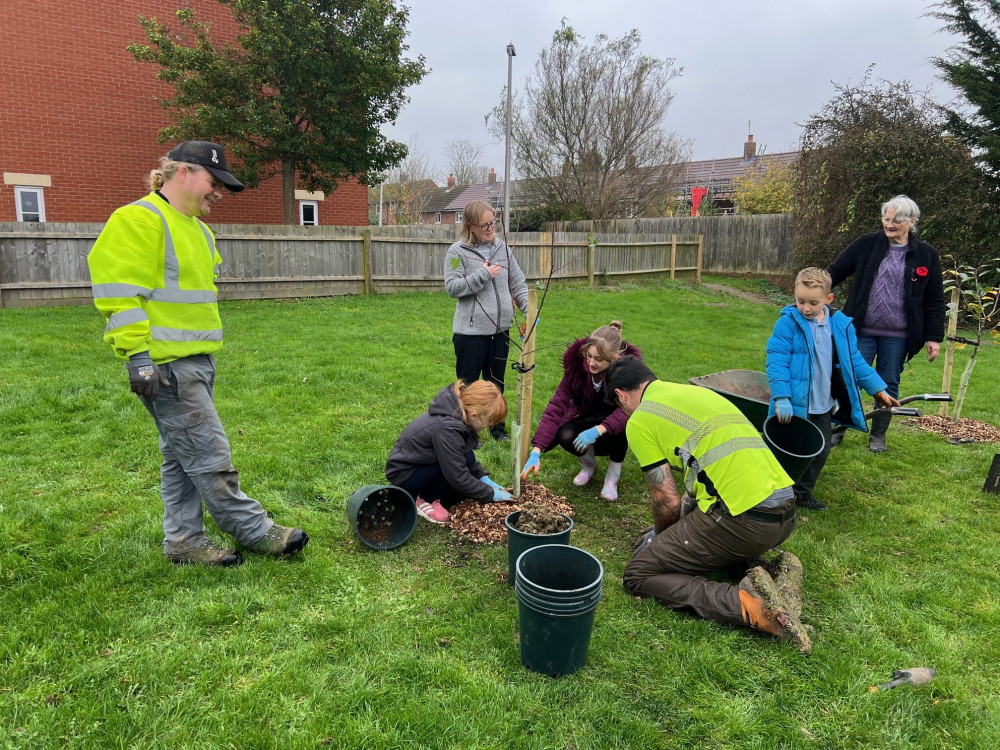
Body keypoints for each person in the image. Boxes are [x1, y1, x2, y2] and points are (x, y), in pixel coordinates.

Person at [87, 141, 308, 567]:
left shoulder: (199, 230)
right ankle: (255, 529)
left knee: (180, 456)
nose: (218, 193)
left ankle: (185, 542)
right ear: (183, 172)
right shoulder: (139, 220)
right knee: (207, 453)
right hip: (164, 365)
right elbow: (118, 293)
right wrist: (138, 357)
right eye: (214, 182)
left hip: (197, 362)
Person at [605, 356, 808, 649]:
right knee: (692, 523)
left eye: (619, 406)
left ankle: (753, 609)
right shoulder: (698, 393)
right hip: (784, 513)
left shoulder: (640, 419)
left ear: (621, 395)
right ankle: (758, 570)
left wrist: (658, 538)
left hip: (744, 521)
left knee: (639, 574)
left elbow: (667, 500)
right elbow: (697, 486)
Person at [766, 268, 899, 511]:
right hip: (794, 403)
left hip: (822, 404)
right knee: (790, 451)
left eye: (813, 303)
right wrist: (782, 397)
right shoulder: (788, 323)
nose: (805, 308)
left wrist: (877, 388)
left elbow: (854, 360)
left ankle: (802, 496)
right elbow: (777, 360)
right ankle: (774, 495)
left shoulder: (839, 325)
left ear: (828, 299)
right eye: (800, 301)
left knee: (820, 451)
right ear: (794, 294)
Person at [826, 195, 945, 452]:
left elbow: (935, 299)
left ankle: (878, 436)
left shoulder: (926, 254)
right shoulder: (867, 244)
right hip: (861, 330)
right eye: (886, 219)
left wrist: (934, 337)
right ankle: (836, 428)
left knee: (888, 383)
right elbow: (835, 271)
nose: (889, 224)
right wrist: (814, 293)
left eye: (896, 220)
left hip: (899, 336)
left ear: (912, 222)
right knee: (848, 378)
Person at [519, 321, 641, 500]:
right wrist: (536, 450)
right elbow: (556, 407)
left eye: (598, 359)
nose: (591, 363)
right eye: (588, 356)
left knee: (621, 431)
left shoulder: (627, 374)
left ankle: (612, 478)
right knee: (566, 434)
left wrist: (600, 429)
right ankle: (589, 466)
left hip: (614, 427)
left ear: (614, 358)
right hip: (586, 419)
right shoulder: (576, 371)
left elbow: (630, 409)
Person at [444, 199, 528, 442]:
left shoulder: (503, 249)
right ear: (470, 226)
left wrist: (529, 312)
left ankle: (497, 428)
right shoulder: (456, 253)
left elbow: (518, 284)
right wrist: (483, 274)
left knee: (496, 384)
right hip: (470, 334)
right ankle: (466, 433)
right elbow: (452, 287)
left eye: (492, 223)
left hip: (500, 332)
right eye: (485, 225)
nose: (491, 228)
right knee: (468, 388)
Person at [386, 380, 511, 525]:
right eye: (488, 422)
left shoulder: (457, 414)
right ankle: (427, 499)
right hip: (405, 476)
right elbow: (457, 476)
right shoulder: (448, 429)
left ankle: (432, 492)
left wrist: (482, 478)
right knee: (451, 469)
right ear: (473, 416)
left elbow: (465, 454)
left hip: (423, 465)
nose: (487, 426)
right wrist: (491, 494)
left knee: (466, 456)